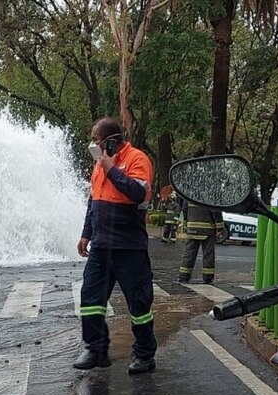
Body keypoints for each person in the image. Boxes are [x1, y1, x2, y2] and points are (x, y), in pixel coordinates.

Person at [74, 117, 158, 375]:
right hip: (101, 246)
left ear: (111, 141)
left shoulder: (137, 159)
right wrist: (86, 233)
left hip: (129, 247)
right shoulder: (100, 164)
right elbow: (93, 200)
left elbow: (137, 193)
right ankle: (95, 349)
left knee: (139, 304)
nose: (93, 145)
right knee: (90, 298)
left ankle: (144, 355)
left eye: (96, 140)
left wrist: (112, 169)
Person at [178, 203, 222, 284]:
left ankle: (184, 277)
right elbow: (216, 210)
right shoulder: (209, 194)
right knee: (208, 255)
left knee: (189, 254)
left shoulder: (189, 194)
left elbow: (184, 209)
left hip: (192, 228)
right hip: (208, 230)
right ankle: (208, 278)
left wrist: (186, 224)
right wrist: (219, 227)